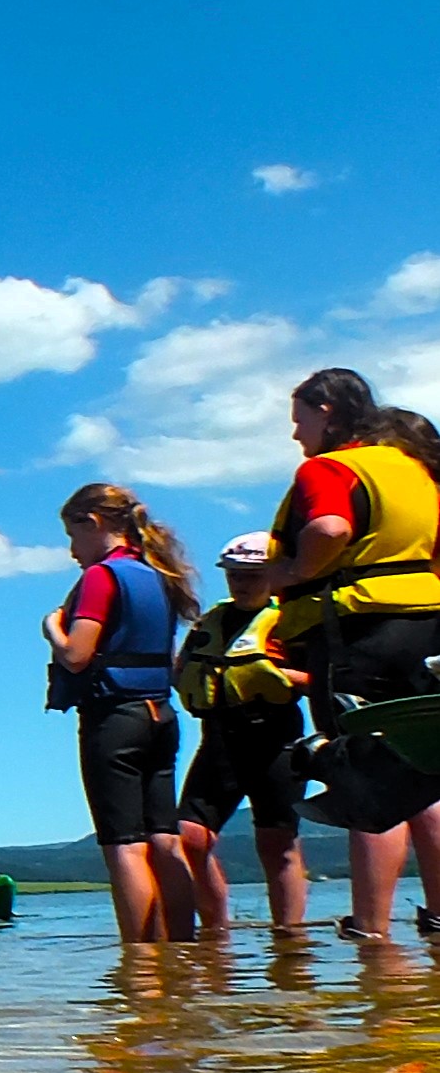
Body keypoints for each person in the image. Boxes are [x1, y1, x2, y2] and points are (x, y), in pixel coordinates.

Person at [258, 370, 440, 940]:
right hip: (424, 627)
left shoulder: (331, 468)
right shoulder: (416, 470)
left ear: (327, 411)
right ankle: (438, 916)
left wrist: (293, 570)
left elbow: (331, 528)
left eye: (300, 420)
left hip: (355, 630)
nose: (296, 435)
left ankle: (371, 929)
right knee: (425, 770)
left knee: (365, 773)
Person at [41, 482, 198, 942]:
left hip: (115, 720)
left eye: (73, 537)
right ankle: (184, 952)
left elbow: (77, 655)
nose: (72, 551)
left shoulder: (101, 577)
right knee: (164, 839)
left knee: (124, 846)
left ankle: (141, 962)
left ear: (93, 523)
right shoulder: (160, 575)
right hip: (160, 717)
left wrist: (51, 628)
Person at [172, 531, 310, 933]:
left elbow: (321, 678)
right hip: (220, 740)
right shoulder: (210, 623)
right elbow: (182, 670)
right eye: (234, 575)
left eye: (252, 575)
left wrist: (280, 676)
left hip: (276, 739)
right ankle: (217, 933)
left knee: (276, 842)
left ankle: (289, 938)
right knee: (190, 836)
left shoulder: (291, 622)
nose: (241, 583)